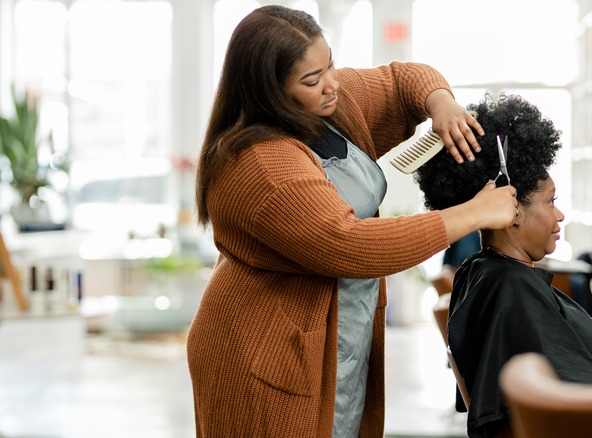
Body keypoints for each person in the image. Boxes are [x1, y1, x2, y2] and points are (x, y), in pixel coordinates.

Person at [186, 5, 519, 438]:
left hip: (339, 322)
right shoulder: (259, 164)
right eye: (312, 80)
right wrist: (473, 214)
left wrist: (442, 103)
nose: (332, 86)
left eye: (331, 67)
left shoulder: (332, 106)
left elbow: (403, 79)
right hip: (262, 350)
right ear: (268, 91)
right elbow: (347, 244)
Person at [414, 93, 592, 438]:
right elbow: (582, 410)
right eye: (551, 201)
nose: (559, 214)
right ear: (511, 208)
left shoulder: (481, 273)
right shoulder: (512, 288)